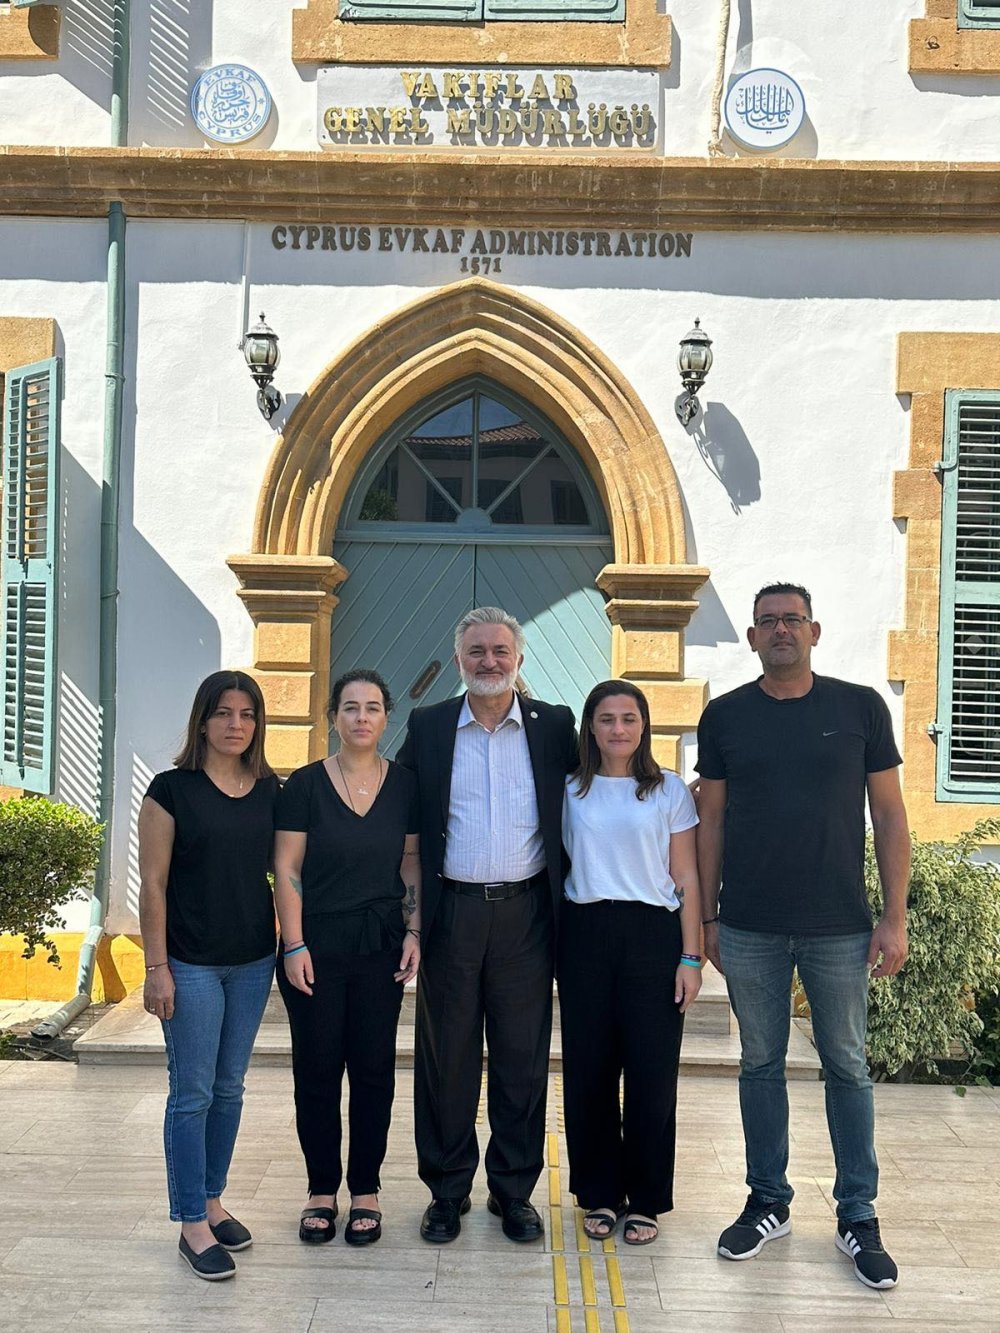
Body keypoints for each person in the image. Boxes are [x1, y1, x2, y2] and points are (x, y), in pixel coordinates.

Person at [695, 582, 910, 1290]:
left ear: (814, 631)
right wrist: (708, 917)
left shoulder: (860, 708)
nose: (781, 629)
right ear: (752, 637)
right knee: (760, 1063)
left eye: (792, 619)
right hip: (749, 924)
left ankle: (858, 1214)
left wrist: (895, 916)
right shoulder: (725, 716)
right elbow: (711, 820)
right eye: (768, 621)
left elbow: (890, 814)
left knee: (847, 1066)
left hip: (839, 926)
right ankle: (768, 1201)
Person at [398, 606, 577, 1244]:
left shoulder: (555, 726)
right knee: (445, 1058)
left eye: (500, 650)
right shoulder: (428, 726)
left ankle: (513, 1190)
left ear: (518, 658)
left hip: (528, 914)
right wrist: (408, 920)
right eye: (476, 651)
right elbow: (400, 815)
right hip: (452, 913)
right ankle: (446, 1193)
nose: (489, 661)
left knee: (521, 1059)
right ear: (458, 661)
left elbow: (597, 789)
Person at [138, 670, 279, 1282]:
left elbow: (290, 871)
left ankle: (213, 1199)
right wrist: (156, 967)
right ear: (202, 720)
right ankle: (191, 1221)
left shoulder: (271, 790)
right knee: (192, 1092)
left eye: (247, 715)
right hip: (190, 964)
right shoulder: (171, 791)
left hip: (253, 960)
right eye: (223, 713)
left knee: (229, 1088)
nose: (235, 725)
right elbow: (152, 885)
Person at [274, 669, 420, 1247]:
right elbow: (287, 867)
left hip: (381, 946)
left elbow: (410, 862)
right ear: (333, 716)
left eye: (373, 707)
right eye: (351, 707)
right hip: (316, 946)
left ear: (387, 717)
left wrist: (414, 929)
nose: (362, 717)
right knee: (316, 1069)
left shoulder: (404, 786)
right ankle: (320, 1190)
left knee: (373, 1070)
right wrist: (294, 943)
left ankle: (365, 1190)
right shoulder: (305, 785)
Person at [559, 681, 702, 1247]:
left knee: (651, 1072)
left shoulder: (668, 790)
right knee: (589, 1071)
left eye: (629, 718)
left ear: (644, 726)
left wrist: (690, 956)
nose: (618, 729)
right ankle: (598, 1192)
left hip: (652, 936)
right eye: (606, 719)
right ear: (590, 728)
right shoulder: (569, 789)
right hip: (585, 934)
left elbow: (686, 877)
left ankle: (645, 1198)